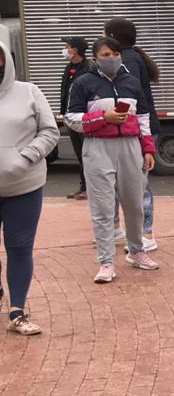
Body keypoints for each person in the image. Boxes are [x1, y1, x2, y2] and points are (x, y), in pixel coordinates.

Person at [65, 37, 161, 283]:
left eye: (114, 53)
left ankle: (137, 251)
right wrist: (102, 117)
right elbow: (72, 118)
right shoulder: (83, 82)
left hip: (130, 147)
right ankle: (106, 261)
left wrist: (148, 149)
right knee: (102, 208)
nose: (111, 58)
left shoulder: (131, 82)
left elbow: (143, 118)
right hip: (98, 147)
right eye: (105, 54)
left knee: (135, 204)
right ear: (96, 57)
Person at [0, 40, 58, 334]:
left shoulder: (29, 92)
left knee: (19, 248)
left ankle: (17, 311)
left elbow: (49, 131)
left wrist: (26, 156)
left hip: (23, 186)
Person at [104, 18, 160, 252]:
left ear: (114, 36)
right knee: (118, 181)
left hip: (139, 129)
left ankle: (146, 234)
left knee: (139, 184)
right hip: (131, 129)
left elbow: (130, 97)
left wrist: (118, 118)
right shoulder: (129, 57)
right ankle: (119, 229)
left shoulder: (128, 60)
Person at [59, 36, 92, 200]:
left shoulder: (89, 68)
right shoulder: (69, 67)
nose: (65, 49)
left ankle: (91, 188)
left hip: (84, 118)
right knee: (80, 155)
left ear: (76, 50)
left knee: (88, 154)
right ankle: (84, 186)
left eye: (67, 46)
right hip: (70, 116)